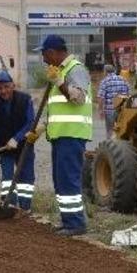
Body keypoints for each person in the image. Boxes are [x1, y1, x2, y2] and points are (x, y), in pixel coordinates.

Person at [27, 34, 93, 236]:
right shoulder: (60, 71)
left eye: (45, 55)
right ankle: (68, 221)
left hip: (72, 136)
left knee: (69, 179)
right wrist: (40, 129)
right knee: (60, 180)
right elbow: (58, 110)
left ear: (54, 52)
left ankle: (76, 224)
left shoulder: (76, 69)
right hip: (60, 136)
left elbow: (79, 99)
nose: (44, 60)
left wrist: (61, 82)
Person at [0, 71, 36, 210]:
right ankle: (9, 207)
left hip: (24, 146)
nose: (3, 91)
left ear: (13, 85)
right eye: (0, 88)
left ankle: (25, 209)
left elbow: (31, 123)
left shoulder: (25, 100)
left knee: (26, 180)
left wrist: (17, 138)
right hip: (4, 147)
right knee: (8, 179)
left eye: (6, 87)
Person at [97, 64, 131, 139]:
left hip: (110, 110)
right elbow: (129, 94)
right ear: (114, 71)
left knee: (110, 130)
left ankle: (110, 145)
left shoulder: (105, 81)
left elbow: (101, 97)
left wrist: (100, 110)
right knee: (121, 130)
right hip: (122, 110)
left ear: (105, 72)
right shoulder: (123, 80)